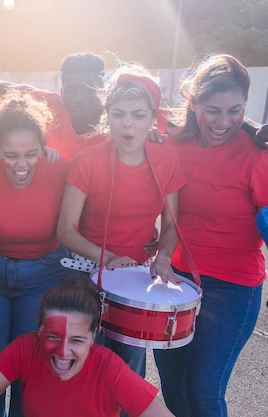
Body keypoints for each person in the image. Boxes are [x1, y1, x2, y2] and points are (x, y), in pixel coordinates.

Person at [152, 54, 268, 417]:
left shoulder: (256, 154)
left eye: (235, 110)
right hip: (176, 280)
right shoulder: (172, 143)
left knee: (203, 390)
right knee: (172, 386)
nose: (224, 122)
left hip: (233, 287)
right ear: (193, 102)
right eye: (212, 110)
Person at [56, 68, 186, 384]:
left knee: (127, 373)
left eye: (138, 115)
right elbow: (66, 230)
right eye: (119, 114)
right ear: (108, 117)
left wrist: (163, 257)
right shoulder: (87, 160)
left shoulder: (166, 160)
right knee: (83, 367)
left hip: (136, 278)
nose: (127, 123)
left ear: (153, 118)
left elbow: (172, 224)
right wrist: (109, 258)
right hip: (84, 272)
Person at [0, 90, 70, 417]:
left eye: (31, 153)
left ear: (43, 147)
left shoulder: (59, 166)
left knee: (31, 364)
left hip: (43, 274)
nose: (22, 165)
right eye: (11, 155)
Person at [0, 278, 174, 417]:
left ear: (93, 336)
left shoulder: (110, 369)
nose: (63, 352)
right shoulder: (25, 349)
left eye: (76, 340)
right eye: (53, 336)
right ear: (39, 331)